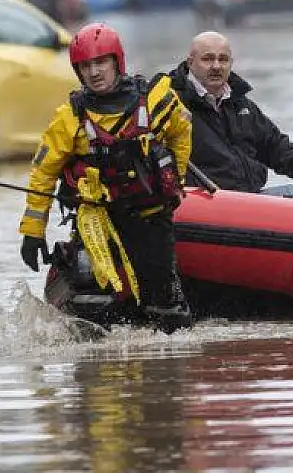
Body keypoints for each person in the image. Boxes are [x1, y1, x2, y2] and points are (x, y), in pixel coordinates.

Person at [18, 22, 194, 333]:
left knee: (167, 306)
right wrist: (33, 231)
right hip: (97, 221)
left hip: (150, 217)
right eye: (85, 66)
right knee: (90, 300)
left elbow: (182, 132)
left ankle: (164, 369)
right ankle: (99, 364)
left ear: (117, 62)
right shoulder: (69, 117)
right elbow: (42, 174)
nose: (94, 72)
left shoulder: (155, 102)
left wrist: (175, 181)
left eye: (101, 63)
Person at [167, 31, 293, 200]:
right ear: (190, 62)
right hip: (202, 202)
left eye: (223, 59)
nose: (216, 66)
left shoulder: (241, 104)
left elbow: (274, 144)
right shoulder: (172, 102)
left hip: (249, 200)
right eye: (208, 59)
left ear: (231, 63)